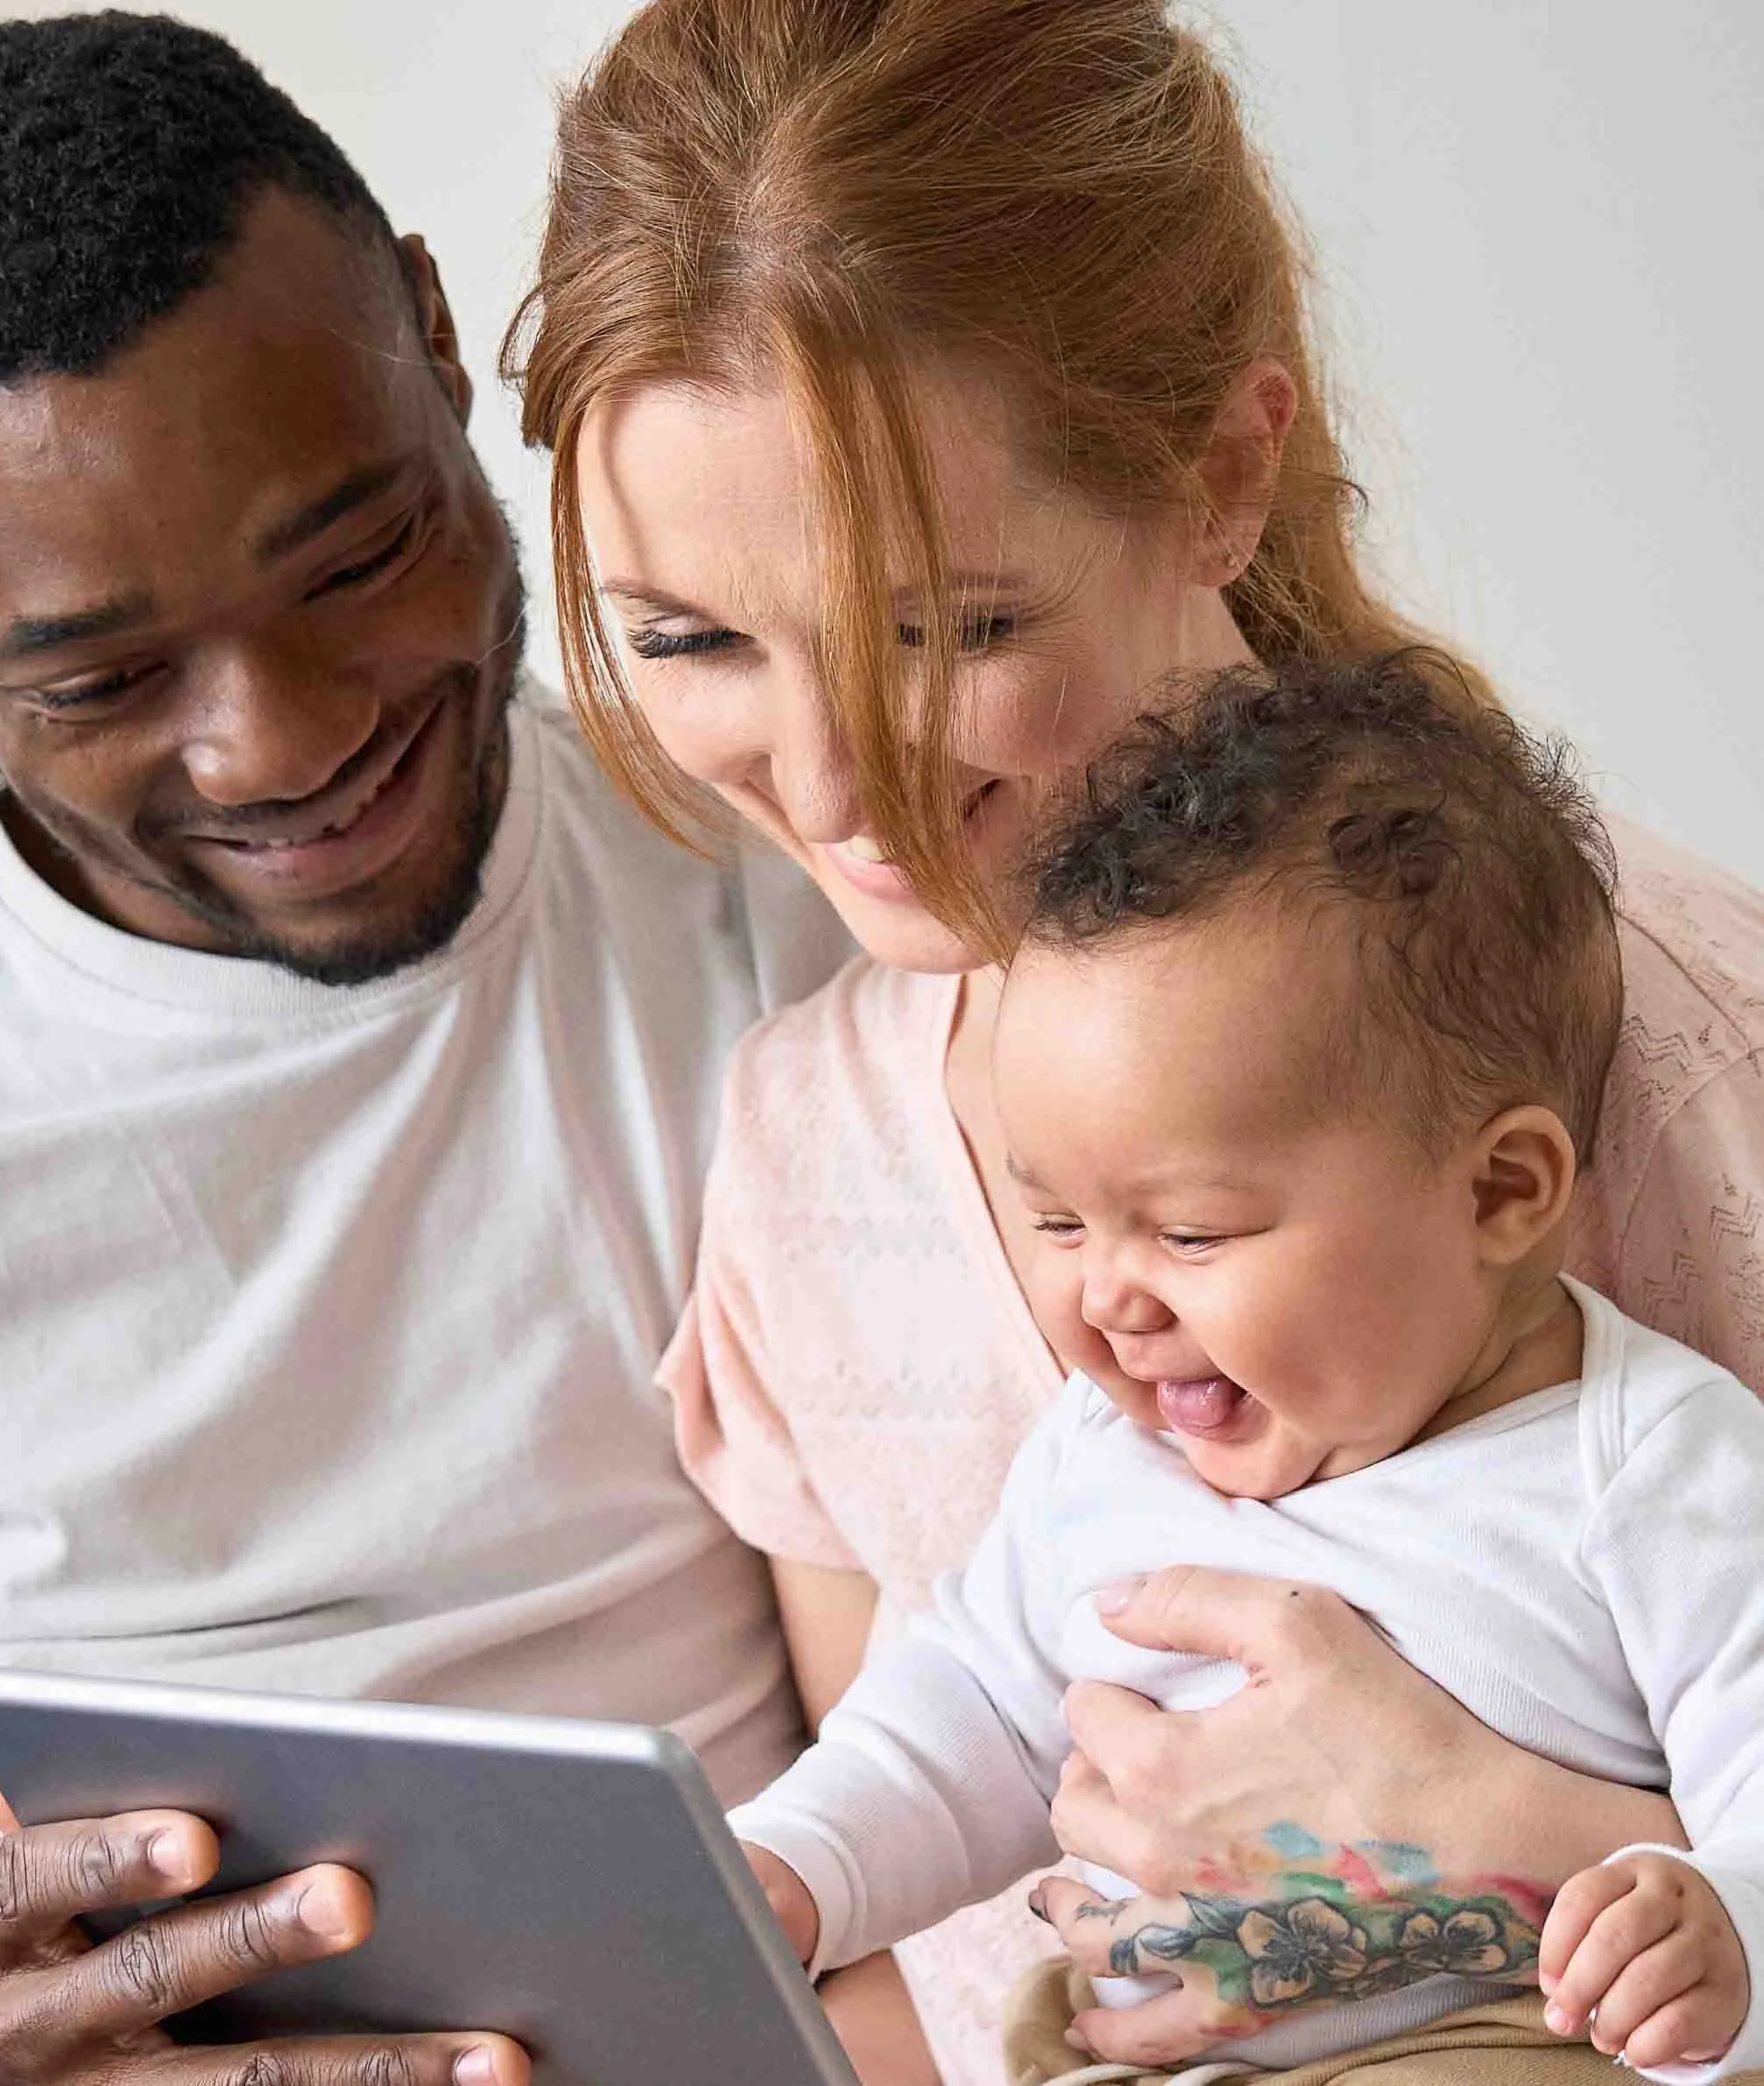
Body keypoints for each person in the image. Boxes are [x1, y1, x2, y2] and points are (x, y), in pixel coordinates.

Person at [505, 0, 1764, 2078]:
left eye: (949, 627)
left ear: (1224, 475)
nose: (833, 787)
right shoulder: (815, 1154)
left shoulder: (1684, 1061)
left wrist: (1518, 1847)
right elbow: (928, 1898)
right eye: (688, 639)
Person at [0, 13, 857, 2077]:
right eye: (105, 677)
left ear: (427, 326)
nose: (286, 739)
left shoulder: (784, 902)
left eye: (359, 557)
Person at [730, 658, 1764, 2086]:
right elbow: (961, 1716)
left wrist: (1722, 1933)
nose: (1105, 1296)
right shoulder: (1099, 1459)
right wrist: (793, 1865)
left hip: (1492, 2036)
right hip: (1124, 2042)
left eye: (1192, 1229)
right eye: (1056, 1220)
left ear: (1500, 1189)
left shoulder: (1644, 1464)